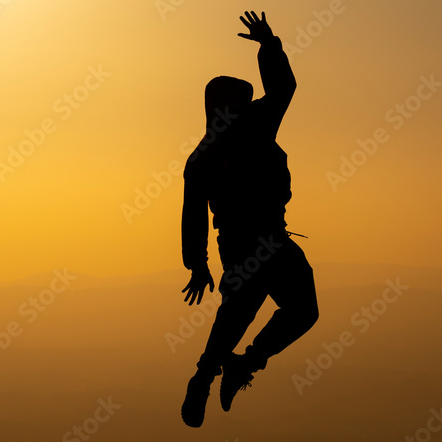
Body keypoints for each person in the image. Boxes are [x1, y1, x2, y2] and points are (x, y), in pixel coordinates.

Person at [180, 11, 319, 428]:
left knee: (302, 311)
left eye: (247, 99)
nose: (247, 105)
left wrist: (269, 45)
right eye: (238, 100)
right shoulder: (203, 159)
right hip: (242, 244)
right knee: (238, 312)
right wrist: (198, 263)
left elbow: (283, 89)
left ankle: (240, 367)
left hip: (274, 239)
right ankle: (205, 378)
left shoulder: (257, 125)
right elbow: (193, 213)